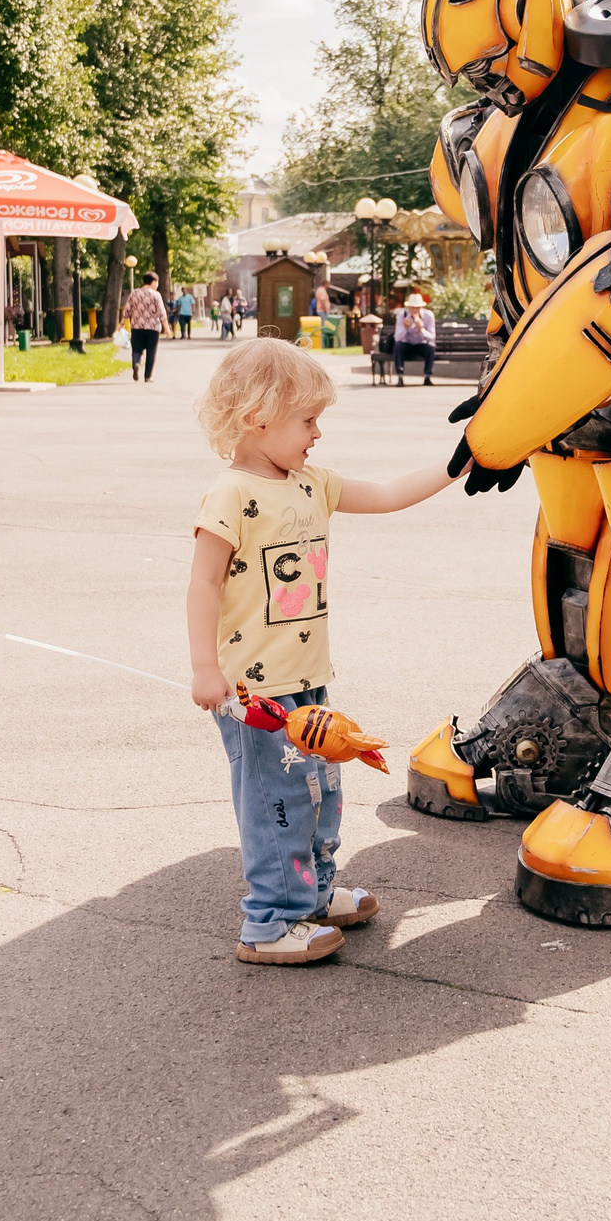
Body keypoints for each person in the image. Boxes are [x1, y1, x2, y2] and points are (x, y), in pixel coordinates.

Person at [187, 338, 463, 964]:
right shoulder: (230, 496)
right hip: (255, 695)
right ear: (258, 416)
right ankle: (267, 923)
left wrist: (460, 462)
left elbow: (391, 493)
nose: (317, 433)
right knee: (275, 806)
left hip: (307, 681)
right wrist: (206, 669)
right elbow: (202, 582)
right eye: (307, 420)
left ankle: (313, 894)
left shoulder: (314, 485)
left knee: (320, 792)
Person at [123, 275, 169, 382]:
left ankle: (136, 363)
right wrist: (166, 328)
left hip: (137, 327)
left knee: (136, 349)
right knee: (151, 352)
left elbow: (127, 310)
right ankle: (148, 376)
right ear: (153, 282)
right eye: (157, 282)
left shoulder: (134, 293)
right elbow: (162, 312)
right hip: (153, 328)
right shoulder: (156, 295)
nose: (157, 285)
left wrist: (122, 323)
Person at [391, 290, 437, 384]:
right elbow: (397, 338)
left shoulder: (428, 316)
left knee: (430, 348)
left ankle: (427, 376)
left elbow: (432, 337)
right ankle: (400, 376)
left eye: (417, 307)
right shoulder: (402, 316)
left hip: (421, 344)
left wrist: (421, 329)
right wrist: (405, 328)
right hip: (407, 344)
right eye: (412, 307)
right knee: (398, 346)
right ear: (408, 307)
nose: (415, 310)